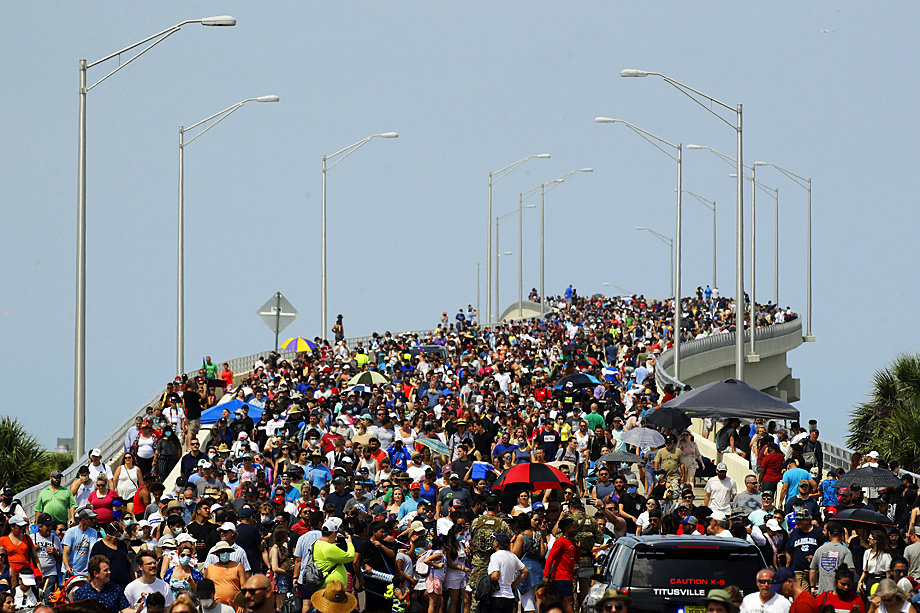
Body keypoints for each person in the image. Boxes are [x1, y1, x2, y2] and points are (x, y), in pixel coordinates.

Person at [544, 517, 579, 613]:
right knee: (569, 601)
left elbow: (576, 558)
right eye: (573, 527)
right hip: (561, 577)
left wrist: (578, 548)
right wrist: (546, 575)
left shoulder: (571, 542)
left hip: (568, 577)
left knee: (562, 602)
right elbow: (550, 558)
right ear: (567, 529)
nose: (575, 530)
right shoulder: (560, 541)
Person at [809, 524, 854, 595]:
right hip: (838, 594)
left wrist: (812, 586)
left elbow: (813, 570)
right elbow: (850, 571)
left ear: (829, 534)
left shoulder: (820, 550)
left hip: (822, 593)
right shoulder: (845, 551)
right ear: (842, 535)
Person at [488, 533, 527, 613]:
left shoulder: (495, 556)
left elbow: (495, 576)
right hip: (509, 596)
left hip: (497, 596)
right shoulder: (512, 556)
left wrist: (486, 579)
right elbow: (525, 571)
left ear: (496, 543)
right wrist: (514, 584)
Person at [312, 519, 354, 588]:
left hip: (324, 582)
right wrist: (349, 543)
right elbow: (350, 556)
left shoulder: (315, 543)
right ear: (334, 533)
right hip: (332, 586)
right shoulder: (329, 548)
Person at [203, 542, 245, 609]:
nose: (225, 553)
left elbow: (244, 587)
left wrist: (242, 604)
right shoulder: (210, 569)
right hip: (216, 608)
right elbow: (206, 589)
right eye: (222, 551)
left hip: (235, 608)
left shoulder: (238, 566)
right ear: (217, 554)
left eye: (227, 551)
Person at [63, 506, 100, 577]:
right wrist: (67, 567)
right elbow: (65, 553)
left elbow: (92, 549)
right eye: (91, 519)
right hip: (71, 571)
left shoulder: (93, 532)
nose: (94, 521)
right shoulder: (71, 532)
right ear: (83, 520)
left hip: (85, 572)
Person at [860, 529, 892, 597]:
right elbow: (865, 571)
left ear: (876, 540)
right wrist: (860, 582)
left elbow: (888, 574)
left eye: (870, 538)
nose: (868, 539)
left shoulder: (886, 555)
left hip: (882, 580)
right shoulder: (867, 553)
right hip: (871, 580)